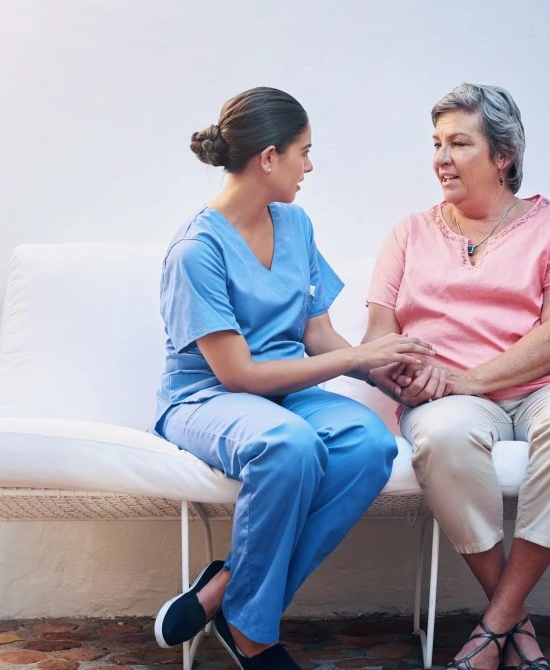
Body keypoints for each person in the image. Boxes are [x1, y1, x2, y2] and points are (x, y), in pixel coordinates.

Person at [151, 86, 434, 670]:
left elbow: (318, 335)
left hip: (286, 394)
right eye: (303, 151)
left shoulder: (295, 224)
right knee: (288, 445)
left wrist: (383, 371)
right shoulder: (196, 251)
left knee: (369, 444)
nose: (309, 166)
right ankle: (252, 632)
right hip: (208, 398)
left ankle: (229, 588)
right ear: (268, 157)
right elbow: (238, 374)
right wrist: (357, 360)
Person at [363, 83, 550, 670]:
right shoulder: (409, 232)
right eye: (436, 143)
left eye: (459, 143)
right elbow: (379, 334)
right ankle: (513, 623)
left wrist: (467, 379)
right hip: (449, 398)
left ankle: (494, 625)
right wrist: (401, 373)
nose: (441, 158)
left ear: (503, 155)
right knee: (442, 435)